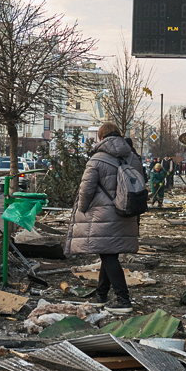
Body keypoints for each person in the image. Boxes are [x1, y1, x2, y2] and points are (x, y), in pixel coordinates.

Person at [64, 122, 138, 315]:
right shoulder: (132, 157)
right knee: (109, 253)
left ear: (101, 137)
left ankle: (124, 300)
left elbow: (86, 189)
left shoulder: (96, 159)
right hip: (127, 212)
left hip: (103, 214)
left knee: (108, 255)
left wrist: (81, 209)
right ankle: (101, 296)